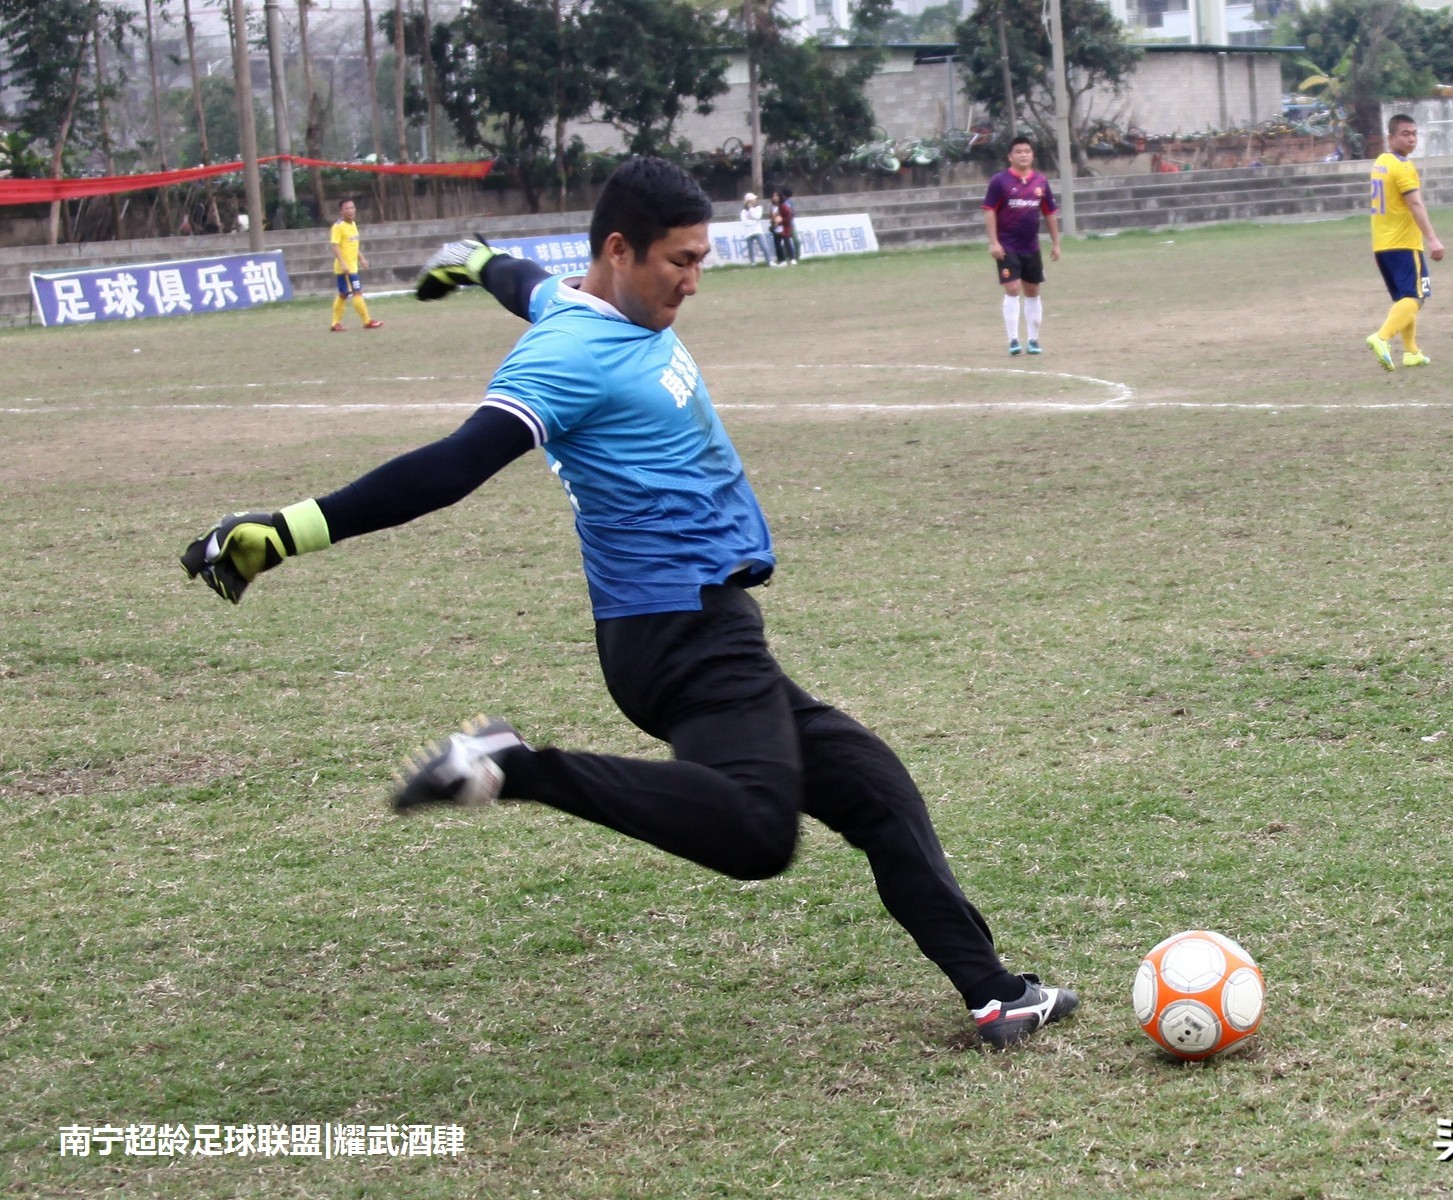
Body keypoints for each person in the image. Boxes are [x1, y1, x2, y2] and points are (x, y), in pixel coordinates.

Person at [178, 156, 1078, 1051]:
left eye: (701, 258)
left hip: (709, 625)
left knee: (871, 786)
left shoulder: (580, 302)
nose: (694, 280)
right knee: (759, 835)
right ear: (620, 248)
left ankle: (995, 994)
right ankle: (513, 767)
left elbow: (528, 283)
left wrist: (473, 258)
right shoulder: (569, 355)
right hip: (675, 631)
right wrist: (287, 531)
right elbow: (452, 467)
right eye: (679, 261)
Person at [1366, 113, 1444, 370]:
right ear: (1391, 138)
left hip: (1382, 245)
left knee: (1404, 298)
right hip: (1403, 243)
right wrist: (1432, 239)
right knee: (1416, 297)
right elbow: (1415, 203)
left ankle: (1411, 352)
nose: (1411, 139)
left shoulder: (1381, 162)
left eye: (1414, 133)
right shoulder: (1403, 166)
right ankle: (1382, 337)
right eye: (1405, 134)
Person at [981, 136, 1061, 356]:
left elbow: (1050, 213)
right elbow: (989, 210)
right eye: (1018, 151)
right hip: (1007, 246)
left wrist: (1056, 243)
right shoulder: (1000, 181)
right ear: (1010, 156)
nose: (1023, 154)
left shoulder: (1040, 182)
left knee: (1033, 290)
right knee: (1013, 288)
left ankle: (1034, 340)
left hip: (1031, 246)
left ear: (1032, 155)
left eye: (1027, 151)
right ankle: (1013, 340)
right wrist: (993, 242)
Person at [328, 198, 384, 332]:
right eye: (347, 208)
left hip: (352, 266)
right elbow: (335, 246)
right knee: (357, 292)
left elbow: (353, 245)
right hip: (346, 268)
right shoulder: (338, 226)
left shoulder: (352, 224)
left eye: (352, 207)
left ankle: (335, 323)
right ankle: (367, 321)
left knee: (343, 294)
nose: (351, 210)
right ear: (341, 211)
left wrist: (362, 259)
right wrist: (343, 263)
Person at [739, 191, 774, 266]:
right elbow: (744, 222)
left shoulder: (758, 208)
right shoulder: (744, 211)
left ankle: (769, 261)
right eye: (753, 199)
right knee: (750, 248)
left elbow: (757, 217)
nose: (755, 200)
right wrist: (754, 222)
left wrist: (751, 209)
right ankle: (752, 263)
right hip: (748, 232)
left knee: (764, 246)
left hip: (758, 231)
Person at [770, 188, 799, 267]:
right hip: (776, 229)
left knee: (787, 243)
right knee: (777, 245)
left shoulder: (783, 206)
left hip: (784, 228)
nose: (775, 197)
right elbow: (772, 217)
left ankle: (792, 259)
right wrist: (773, 224)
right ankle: (782, 260)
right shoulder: (772, 207)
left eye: (776, 196)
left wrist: (780, 222)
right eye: (773, 196)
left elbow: (788, 216)